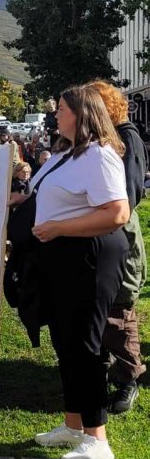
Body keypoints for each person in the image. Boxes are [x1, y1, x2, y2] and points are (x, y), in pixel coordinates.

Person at [14, 85, 129, 459]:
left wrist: (60, 228)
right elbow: (44, 196)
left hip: (88, 256)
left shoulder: (99, 155)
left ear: (82, 115)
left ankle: (98, 438)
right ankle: (74, 424)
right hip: (60, 255)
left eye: (61, 109)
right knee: (66, 342)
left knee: (84, 345)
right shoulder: (66, 154)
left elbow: (117, 212)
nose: (55, 114)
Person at [88, 81, 147, 413]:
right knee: (100, 306)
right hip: (101, 232)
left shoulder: (126, 137)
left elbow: (130, 192)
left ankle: (128, 379)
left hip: (120, 235)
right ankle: (105, 369)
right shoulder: (102, 138)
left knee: (120, 309)